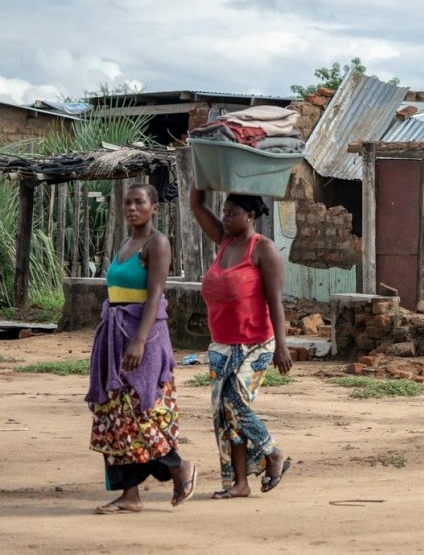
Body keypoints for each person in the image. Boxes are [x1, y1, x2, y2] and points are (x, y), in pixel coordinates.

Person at [86, 183, 196, 514]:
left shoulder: (156, 243)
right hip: (114, 338)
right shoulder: (125, 244)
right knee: (114, 417)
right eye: (128, 203)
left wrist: (138, 339)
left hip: (144, 339)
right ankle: (129, 495)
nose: (132, 208)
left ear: (154, 208)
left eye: (140, 202)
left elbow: (156, 293)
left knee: (141, 413)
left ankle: (179, 468)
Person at [190, 188, 292, 499]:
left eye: (232, 212)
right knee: (223, 414)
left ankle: (272, 452)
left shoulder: (264, 250)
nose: (224, 217)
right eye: (224, 211)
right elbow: (196, 204)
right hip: (221, 345)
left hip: (256, 344)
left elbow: (275, 302)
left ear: (250, 216)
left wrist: (282, 347)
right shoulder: (224, 241)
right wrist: (204, 170)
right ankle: (239, 483)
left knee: (234, 402)